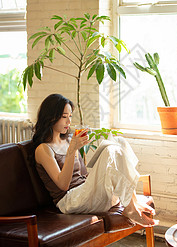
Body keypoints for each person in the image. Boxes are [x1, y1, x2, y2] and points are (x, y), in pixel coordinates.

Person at [32, 93, 159, 227]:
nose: (69, 122)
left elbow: (82, 175)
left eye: (70, 116)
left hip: (87, 195)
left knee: (119, 142)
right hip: (70, 202)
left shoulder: (69, 140)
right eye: (64, 117)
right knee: (110, 150)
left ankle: (131, 201)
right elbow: (63, 185)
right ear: (51, 117)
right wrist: (72, 151)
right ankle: (131, 209)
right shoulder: (43, 149)